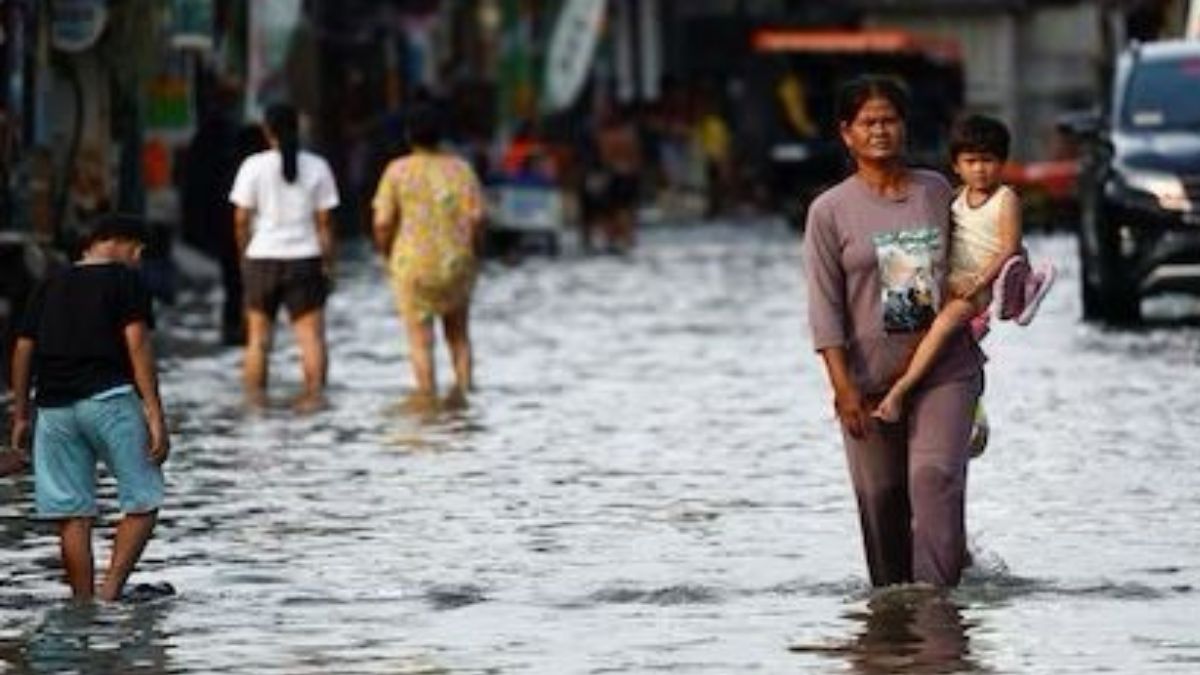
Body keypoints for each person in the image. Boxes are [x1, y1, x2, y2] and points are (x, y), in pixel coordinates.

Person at [803, 76, 986, 588]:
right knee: (882, 503)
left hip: (944, 370)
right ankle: (891, 630)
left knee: (933, 480)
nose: (880, 131)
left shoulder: (936, 192)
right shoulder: (829, 211)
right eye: (868, 122)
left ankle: (937, 609)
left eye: (889, 120)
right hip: (868, 380)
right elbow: (824, 307)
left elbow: (980, 253)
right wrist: (842, 388)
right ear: (847, 134)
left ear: (904, 127)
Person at [9, 214, 169, 602]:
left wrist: (21, 414)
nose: (138, 258)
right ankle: (110, 593)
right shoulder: (124, 280)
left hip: (54, 408)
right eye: (137, 250)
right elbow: (138, 345)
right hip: (109, 399)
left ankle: (82, 602)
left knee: (72, 513)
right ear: (119, 243)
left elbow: (23, 349)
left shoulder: (49, 282)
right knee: (144, 499)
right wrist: (155, 413)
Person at [872, 115, 1055, 423]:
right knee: (908, 309)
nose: (980, 169)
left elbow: (1010, 246)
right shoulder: (957, 198)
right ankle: (926, 381)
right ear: (957, 166)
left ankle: (900, 391)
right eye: (971, 161)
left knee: (944, 325)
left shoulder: (1005, 199)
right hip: (954, 279)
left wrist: (980, 282)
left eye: (988, 161)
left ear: (1003, 162)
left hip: (983, 286)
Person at [371, 103, 485, 398]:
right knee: (459, 337)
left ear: (409, 136)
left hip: (412, 266)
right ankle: (464, 394)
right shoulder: (461, 169)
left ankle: (427, 401)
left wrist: (386, 255)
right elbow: (477, 219)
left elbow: (382, 223)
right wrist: (474, 254)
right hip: (456, 263)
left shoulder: (396, 171)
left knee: (421, 342)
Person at [229, 103, 339, 406]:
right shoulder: (318, 167)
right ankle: (315, 407)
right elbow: (325, 223)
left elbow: (240, 219)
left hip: (261, 258)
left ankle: (256, 409)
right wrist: (329, 263)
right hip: (305, 259)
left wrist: (244, 255)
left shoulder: (252, 166)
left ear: (267, 130)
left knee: (258, 341)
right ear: (298, 128)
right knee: (311, 340)